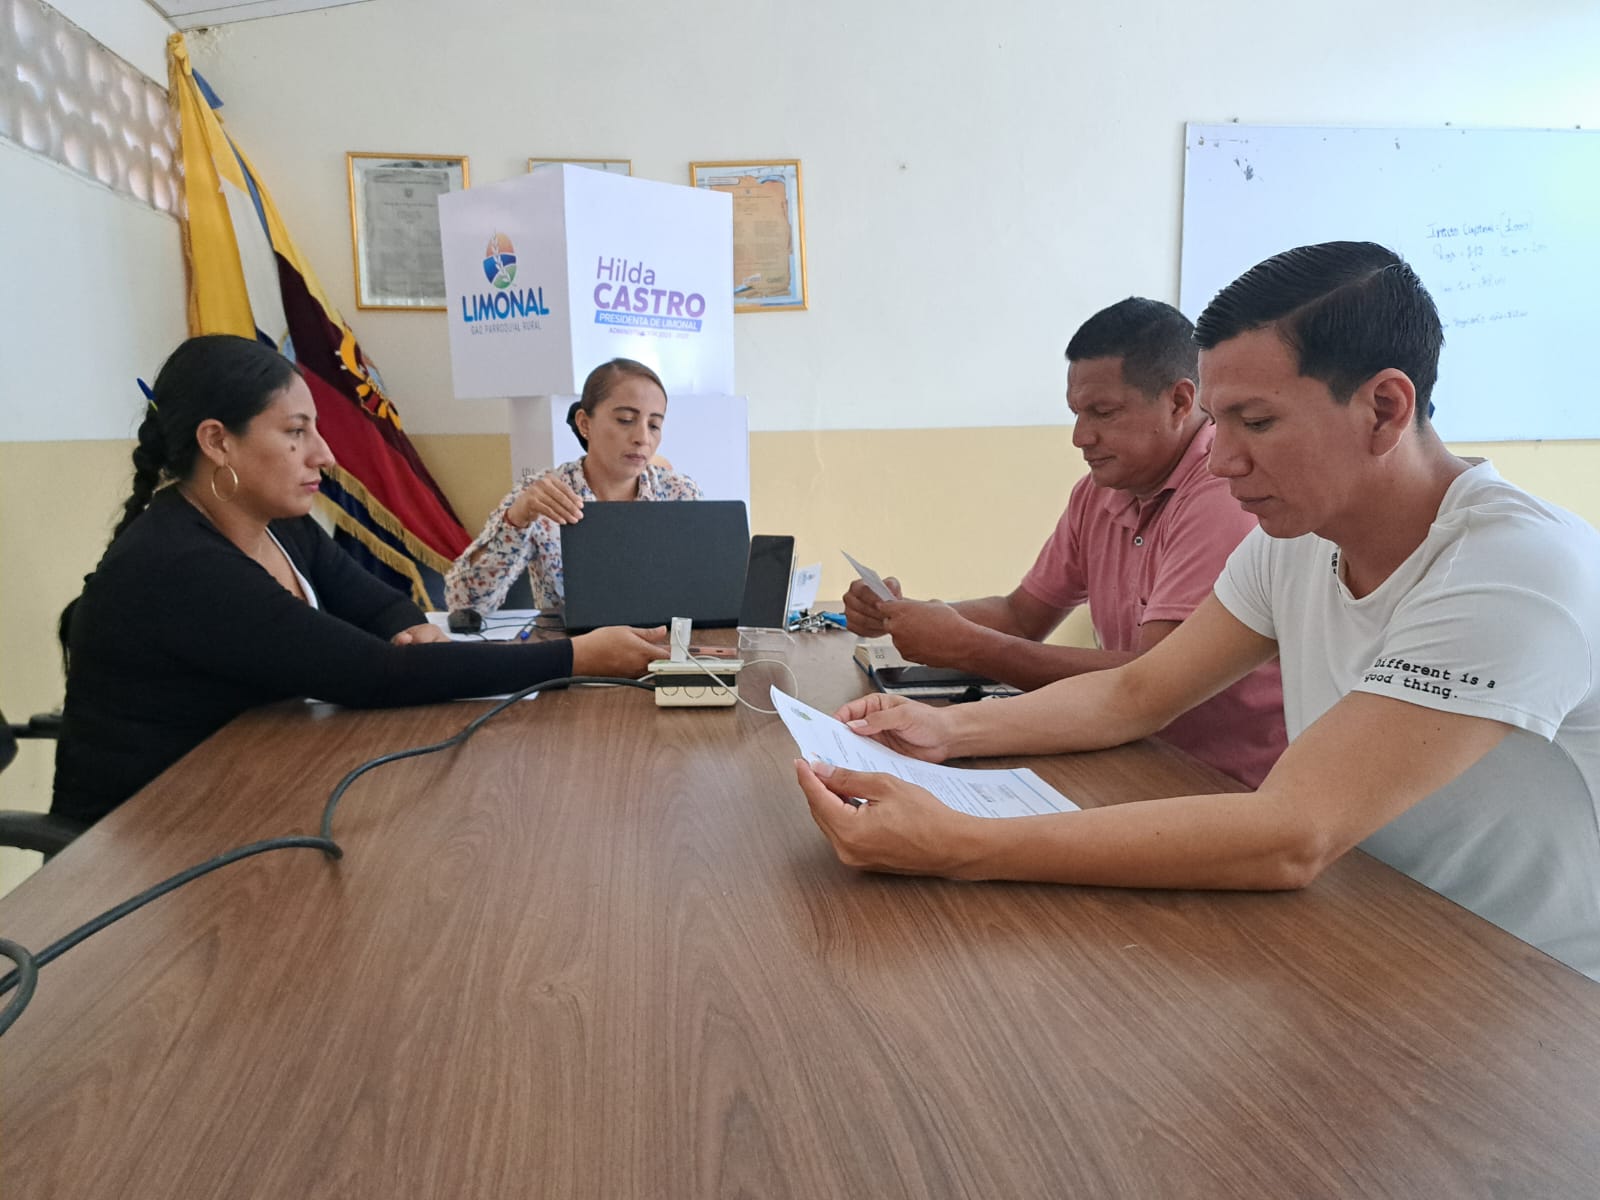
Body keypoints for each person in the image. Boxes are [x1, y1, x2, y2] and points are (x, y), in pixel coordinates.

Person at [799, 242, 1600, 983]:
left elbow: (1294, 832)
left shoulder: (1515, 568)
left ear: (1385, 409)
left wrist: (963, 844)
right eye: (1219, 424)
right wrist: (945, 731)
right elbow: (1136, 694)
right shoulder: (1294, 541)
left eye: (1257, 422)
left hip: (1528, 986)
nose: (1219, 461)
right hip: (1364, 924)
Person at [52, 335, 666, 825]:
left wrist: (410, 628)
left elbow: (378, 604)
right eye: (296, 432)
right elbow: (375, 674)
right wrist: (577, 658)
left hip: (248, 791)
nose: (324, 454)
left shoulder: (279, 524)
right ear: (217, 441)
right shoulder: (183, 566)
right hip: (151, 840)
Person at [844, 298, 1286, 787]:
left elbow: (1148, 681)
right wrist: (906, 615)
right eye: (1076, 413)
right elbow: (1020, 616)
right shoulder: (1099, 493)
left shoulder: (1223, 494)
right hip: (1127, 752)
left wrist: (969, 648)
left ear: (1180, 402)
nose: (1080, 437)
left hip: (1220, 782)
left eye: (1103, 412)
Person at [445, 358, 701, 615]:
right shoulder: (544, 494)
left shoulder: (680, 493)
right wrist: (516, 519)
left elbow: (709, 592)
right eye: (625, 420)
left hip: (665, 639)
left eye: (654, 425)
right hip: (573, 641)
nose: (642, 438)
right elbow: (464, 604)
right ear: (584, 423)